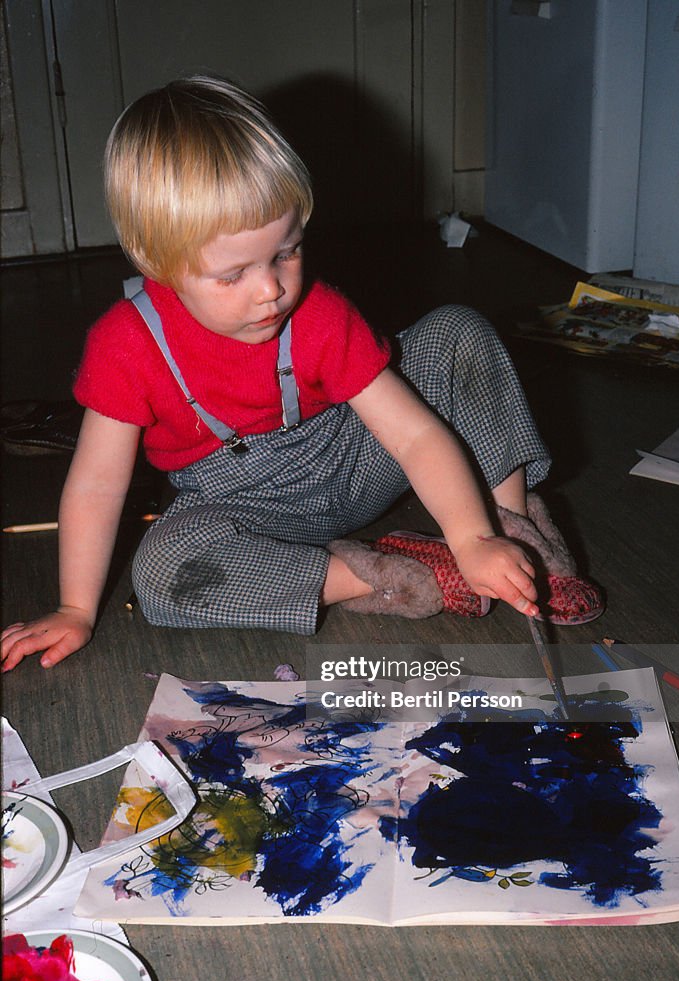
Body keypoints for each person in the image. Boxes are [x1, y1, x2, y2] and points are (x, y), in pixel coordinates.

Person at [0, 76, 603, 673]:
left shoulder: (318, 313)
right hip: (245, 503)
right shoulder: (124, 345)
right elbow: (95, 489)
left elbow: (414, 436)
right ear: (157, 261)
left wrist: (473, 534)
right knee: (160, 571)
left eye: (286, 251)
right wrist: (75, 608)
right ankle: (389, 574)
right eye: (234, 274)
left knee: (456, 332)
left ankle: (512, 530)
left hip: (354, 452)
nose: (272, 290)